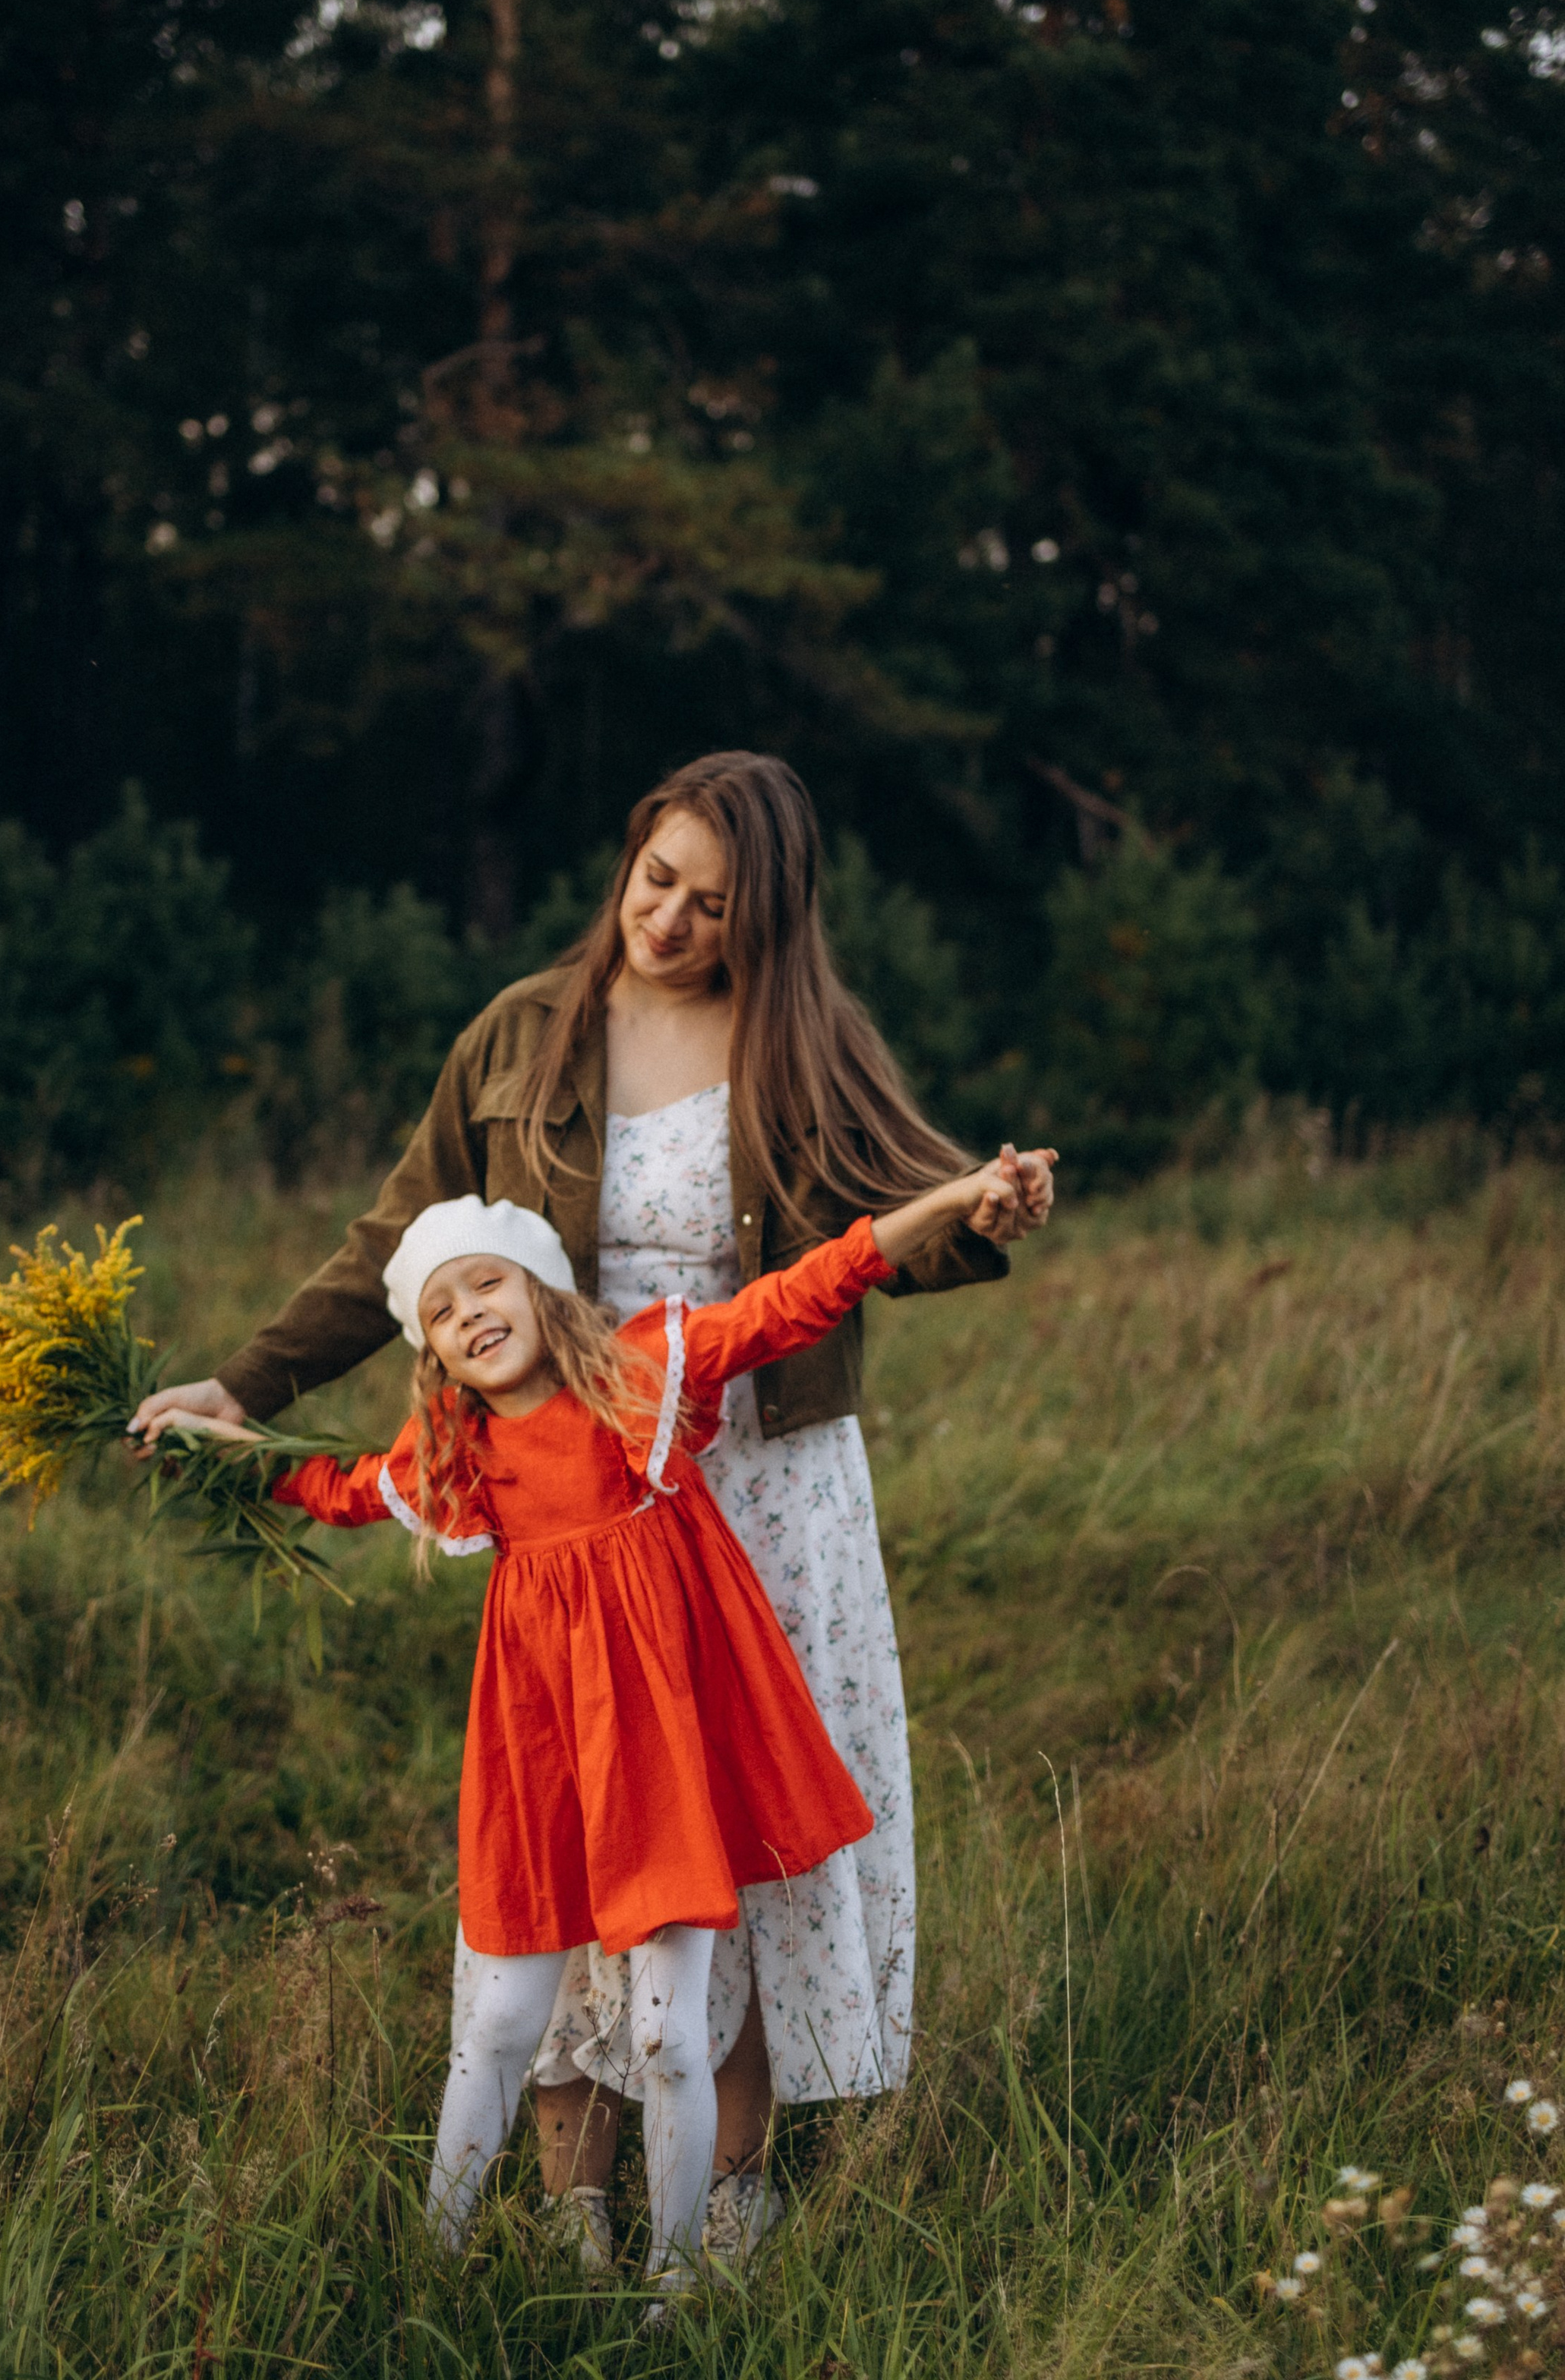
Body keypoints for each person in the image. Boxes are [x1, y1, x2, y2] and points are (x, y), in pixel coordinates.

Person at [130, 750, 1055, 2267]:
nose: (672, 924)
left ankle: (735, 2190)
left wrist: (984, 1209)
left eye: (712, 907)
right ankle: (571, 2204)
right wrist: (246, 1390)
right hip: (573, 1486)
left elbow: (903, 1211)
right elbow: (392, 1247)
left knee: (736, 1839)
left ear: (765, 921)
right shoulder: (514, 1036)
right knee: (576, 1812)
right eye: (657, 884)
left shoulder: (803, 1040)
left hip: (757, 1476)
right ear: (627, 862)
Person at [163, 1165, 1034, 2286]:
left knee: (673, 2036)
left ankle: (674, 2291)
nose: (470, 1312)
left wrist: (952, 1199)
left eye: (488, 1286)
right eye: (442, 1307)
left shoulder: (639, 1380)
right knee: (494, 2027)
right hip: (542, 1768)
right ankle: (434, 2271)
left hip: (662, 1760)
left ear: (541, 1293)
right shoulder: (459, 1458)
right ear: (429, 1349)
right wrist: (198, 1439)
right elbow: (328, 1483)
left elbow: (807, 1290)